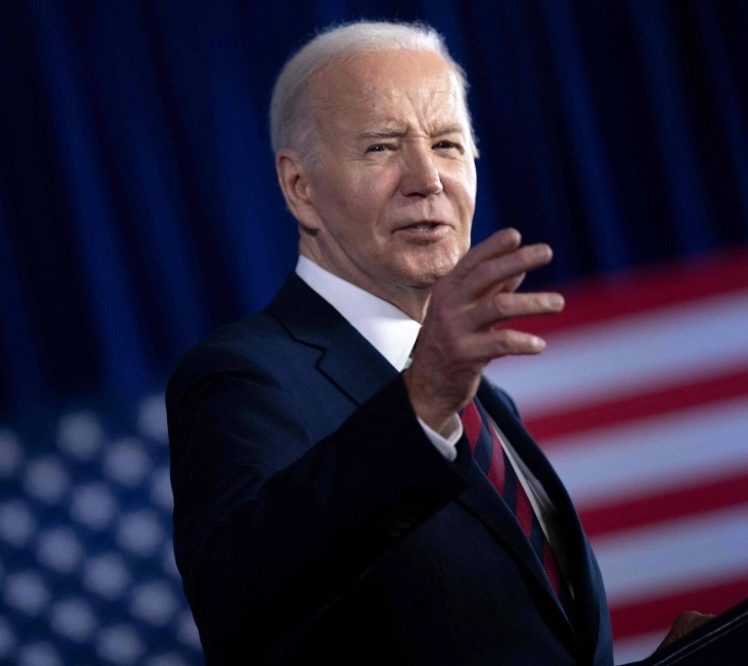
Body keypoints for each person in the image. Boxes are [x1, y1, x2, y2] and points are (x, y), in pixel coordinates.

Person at [167, 20, 706, 665]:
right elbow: (240, 606)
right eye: (381, 148)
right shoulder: (243, 377)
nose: (427, 179)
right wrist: (418, 407)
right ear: (299, 188)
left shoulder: (486, 403)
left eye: (448, 143)